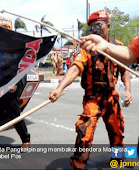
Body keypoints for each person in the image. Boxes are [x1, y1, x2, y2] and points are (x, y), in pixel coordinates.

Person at [48, 10, 132, 169]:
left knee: (117, 132)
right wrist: (59, 88)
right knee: (84, 131)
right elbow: (74, 69)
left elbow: (125, 70)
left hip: (111, 97)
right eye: (92, 27)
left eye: (99, 25)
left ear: (108, 26)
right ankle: (78, 164)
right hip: (93, 98)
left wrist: (128, 91)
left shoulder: (117, 46)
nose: (95, 30)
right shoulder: (87, 49)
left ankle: (118, 160)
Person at [0, 76, 31, 150]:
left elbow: (18, 70)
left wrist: (16, 84)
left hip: (10, 87)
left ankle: (26, 140)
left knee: (15, 117)